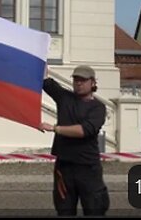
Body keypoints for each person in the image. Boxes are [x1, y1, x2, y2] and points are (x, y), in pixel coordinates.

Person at [40, 65, 109, 216]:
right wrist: (40, 53)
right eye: (76, 79)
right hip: (64, 167)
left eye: (83, 80)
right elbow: (44, 79)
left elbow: (84, 131)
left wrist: (55, 128)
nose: (79, 83)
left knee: (95, 209)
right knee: (64, 210)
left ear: (93, 83)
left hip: (88, 167)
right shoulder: (64, 98)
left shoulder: (98, 107)